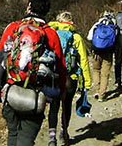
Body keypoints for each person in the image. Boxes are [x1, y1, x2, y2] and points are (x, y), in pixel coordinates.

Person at [0, 0, 67, 146]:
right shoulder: (51, 34)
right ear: (46, 11)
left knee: (13, 135)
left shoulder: (13, 28)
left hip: (10, 91)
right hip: (34, 97)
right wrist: (61, 92)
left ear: (29, 6)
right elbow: (61, 68)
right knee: (26, 140)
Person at [47, 12, 92, 146]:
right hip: (70, 77)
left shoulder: (51, 34)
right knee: (66, 105)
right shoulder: (76, 37)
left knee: (54, 106)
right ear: (71, 22)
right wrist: (87, 81)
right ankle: (64, 132)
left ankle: (52, 137)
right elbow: (83, 60)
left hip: (54, 76)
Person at [86, 11, 116, 101]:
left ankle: (96, 90)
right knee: (105, 74)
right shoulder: (114, 26)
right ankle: (102, 95)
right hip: (108, 53)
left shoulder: (96, 25)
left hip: (96, 52)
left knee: (96, 70)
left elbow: (89, 37)